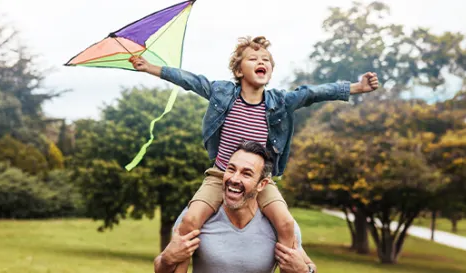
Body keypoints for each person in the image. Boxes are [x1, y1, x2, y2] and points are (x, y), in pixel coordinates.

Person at [129, 36, 379, 251]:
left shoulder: (280, 101)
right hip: (220, 175)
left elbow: (313, 93)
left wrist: (357, 87)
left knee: (286, 225)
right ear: (239, 71)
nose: (262, 62)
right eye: (253, 59)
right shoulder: (223, 92)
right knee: (189, 221)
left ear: (270, 71)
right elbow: (190, 80)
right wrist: (150, 67)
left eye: (266, 60)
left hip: (261, 181)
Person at [154, 141, 317, 273]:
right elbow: (161, 267)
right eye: (231, 169)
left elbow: (309, 266)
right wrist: (167, 259)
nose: (234, 179)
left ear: (262, 184)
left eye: (246, 174)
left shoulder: (279, 225)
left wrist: (305, 271)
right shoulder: (195, 218)